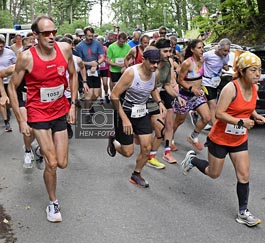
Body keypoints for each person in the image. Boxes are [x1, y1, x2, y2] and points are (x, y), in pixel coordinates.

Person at [180, 52, 265, 227]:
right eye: (253, 70)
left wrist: (255, 115)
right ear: (242, 71)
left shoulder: (254, 88)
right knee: (213, 173)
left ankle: (243, 212)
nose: (258, 74)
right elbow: (219, 114)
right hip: (220, 138)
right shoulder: (231, 88)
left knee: (244, 175)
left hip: (239, 139)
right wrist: (241, 122)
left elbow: (248, 108)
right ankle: (193, 160)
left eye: (260, 70)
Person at [8, 15, 78, 223]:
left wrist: (73, 104)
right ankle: (53, 203)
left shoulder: (65, 49)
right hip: (38, 113)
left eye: (54, 32)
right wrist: (21, 119)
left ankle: (38, 150)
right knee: (53, 163)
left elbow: (73, 75)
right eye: (46, 33)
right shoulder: (26, 57)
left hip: (60, 110)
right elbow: (12, 86)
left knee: (63, 162)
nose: (51, 36)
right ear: (36, 35)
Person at [107, 46, 166, 187]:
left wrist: (159, 102)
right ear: (143, 59)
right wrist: (124, 119)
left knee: (147, 147)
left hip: (141, 112)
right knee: (128, 152)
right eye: (152, 62)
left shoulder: (155, 73)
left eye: (157, 62)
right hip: (125, 111)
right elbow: (114, 95)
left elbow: (152, 89)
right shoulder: (131, 73)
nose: (155, 65)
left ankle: (136, 174)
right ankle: (114, 141)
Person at [172, 39, 211, 151]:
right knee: (179, 121)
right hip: (185, 96)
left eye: (202, 47)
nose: (202, 50)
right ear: (192, 49)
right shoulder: (187, 63)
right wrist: (191, 88)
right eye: (199, 48)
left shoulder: (202, 60)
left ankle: (193, 137)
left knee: (207, 117)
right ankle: (170, 139)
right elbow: (180, 80)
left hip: (197, 95)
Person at [190, 38, 231, 129]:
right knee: (213, 104)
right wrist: (197, 75)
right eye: (224, 50)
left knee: (209, 103)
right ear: (219, 48)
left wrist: (226, 67)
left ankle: (195, 113)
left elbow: (225, 65)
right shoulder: (209, 55)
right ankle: (214, 126)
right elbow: (198, 62)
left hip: (215, 82)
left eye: (228, 51)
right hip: (206, 81)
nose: (226, 53)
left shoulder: (226, 57)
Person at [75, 26, 104, 115]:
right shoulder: (80, 46)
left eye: (92, 36)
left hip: (96, 71)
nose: (90, 38)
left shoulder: (97, 44)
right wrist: (89, 64)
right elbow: (78, 61)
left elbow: (102, 57)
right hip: (85, 72)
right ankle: (87, 112)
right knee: (89, 94)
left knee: (96, 95)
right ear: (84, 35)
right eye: (88, 36)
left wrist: (96, 63)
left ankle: (90, 106)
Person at [0, 37, 16, 132]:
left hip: (8, 81)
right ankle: (6, 122)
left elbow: (16, 64)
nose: (0, 49)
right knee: (1, 102)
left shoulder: (9, 53)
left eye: (1, 46)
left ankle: (8, 109)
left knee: (9, 103)